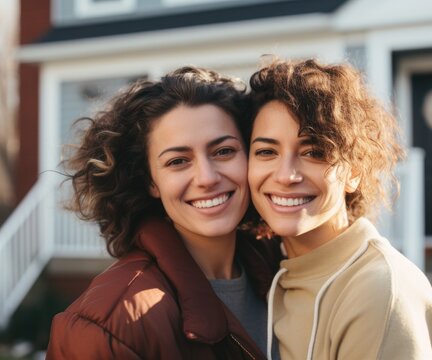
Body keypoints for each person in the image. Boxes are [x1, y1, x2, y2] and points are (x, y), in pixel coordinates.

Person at [46, 66, 280, 359]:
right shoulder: (111, 325)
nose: (206, 178)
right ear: (150, 182)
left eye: (223, 151)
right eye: (178, 161)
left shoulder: (280, 269)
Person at [247, 58, 432, 360]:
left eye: (314, 152)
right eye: (266, 152)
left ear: (354, 171)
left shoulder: (379, 291)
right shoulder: (275, 270)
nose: (285, 175)